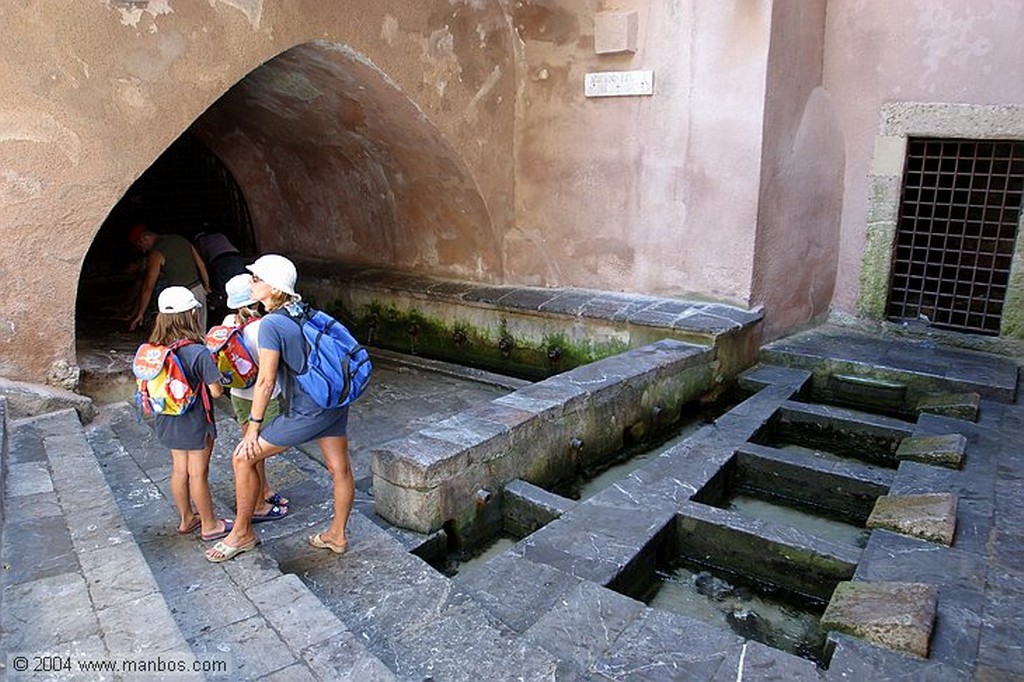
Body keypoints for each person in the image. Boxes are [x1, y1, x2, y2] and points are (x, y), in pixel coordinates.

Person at [206, 255, 354, 562]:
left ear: (274, 289)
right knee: (339, 469)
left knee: (241, 458)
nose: (251, 282)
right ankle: (337, 535)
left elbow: (265, 381)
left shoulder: (272, 323)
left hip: (307, 410)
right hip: (333, 400)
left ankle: (242, 533)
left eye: (257, 279)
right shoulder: (304, 310)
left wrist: (254, 429)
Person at [142, 286, 232, 542]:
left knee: (179, 470)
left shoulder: (156, 348)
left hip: (168, 418)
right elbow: (215, 392)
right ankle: (211, 524)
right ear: (191, 315)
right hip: (195, 421)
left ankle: (186, 518)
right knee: (198, 473)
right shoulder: (198, 352)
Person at [219, 273, 289, 522]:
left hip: (238, 394)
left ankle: (264, 489)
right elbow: (269, 373)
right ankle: (258, 505)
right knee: (255, 451)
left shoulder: (228, 321)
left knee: (251, 447)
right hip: (263, 398)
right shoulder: (263, 326)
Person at [126, 224, 212, 332]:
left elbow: (148, 286)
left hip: (181, 300)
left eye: (140, 244)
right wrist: (206, 287)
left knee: (185, 336)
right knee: (201, 332)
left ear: (145, 237)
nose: (143, 250)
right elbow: (201, 264)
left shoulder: (156, 253)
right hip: (198, 290)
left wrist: (140, 314)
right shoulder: (180, 239)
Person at [194, 231, 246, 306]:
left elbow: (201, 261)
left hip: (221, 261)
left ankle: (224, 309)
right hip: (236, 257)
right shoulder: (219, 235)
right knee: (241, 286)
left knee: (222, 290)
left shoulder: (200, 241)